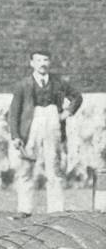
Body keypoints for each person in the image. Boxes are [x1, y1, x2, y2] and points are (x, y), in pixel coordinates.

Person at [8, 49, 82, 214]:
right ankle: (24, 208)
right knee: (26, 166)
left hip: (52, 123)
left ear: (50, 62)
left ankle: (56, 209)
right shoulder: (23, 85)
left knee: (54, 165)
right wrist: (15, 136)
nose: (42, 64)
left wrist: (67, 113)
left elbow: (77, 97)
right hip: (30, 125)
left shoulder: (58, 83)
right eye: (39, 60)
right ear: (32, 63)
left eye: (46, 60)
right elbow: (14, 113)